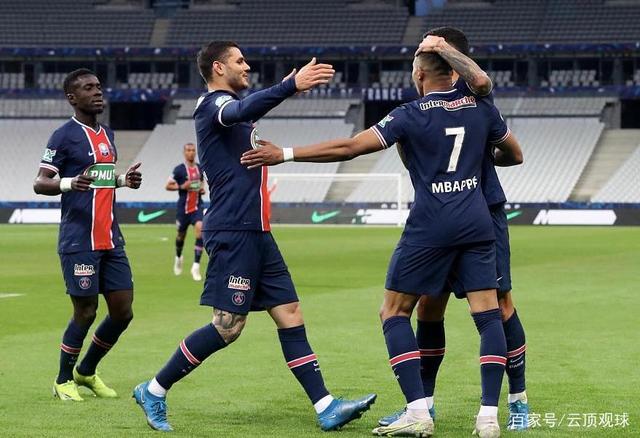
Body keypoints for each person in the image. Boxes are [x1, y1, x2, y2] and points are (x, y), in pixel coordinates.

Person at [241, 50, 523, 437]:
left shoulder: (409, 114)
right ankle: (488, 416)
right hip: (477, 221)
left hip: (431, 223)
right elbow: (512, 151)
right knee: (488, 315)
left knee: (393, 311)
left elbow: (351, 147)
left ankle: (418, 411)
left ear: (419, 74)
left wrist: (285, 154)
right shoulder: (480, 108)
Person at [132, 41, 376, 432]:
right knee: (227, 327)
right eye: (239, 61)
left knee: (290, 314)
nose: (247, 67)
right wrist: (290, 85)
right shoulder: (213, 105)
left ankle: (326, 406)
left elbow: (246, 112)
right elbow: (240, 109)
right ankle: (154, 389)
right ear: (218, 67)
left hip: (257, 232)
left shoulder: (236, 114)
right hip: (233, 231)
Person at [377, 27, 530, 432]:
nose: (421, 52)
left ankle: (518, 400)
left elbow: (482, 82)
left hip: (484, 211)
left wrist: (441, 47)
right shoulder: (431, 103)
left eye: (429, 47)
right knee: (429, 306)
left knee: (500, 305)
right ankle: (423, 406)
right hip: (444, 217)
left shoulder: (476, 94)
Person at [33, 69, 142, 401]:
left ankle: (86, 370)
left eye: (98, 87)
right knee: (86, 311)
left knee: (123, 311)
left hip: (111, 237)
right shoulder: (63, 136)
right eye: (88, 88)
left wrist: (123, 181)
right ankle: (63, 379)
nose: (97, 92)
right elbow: (40, 182)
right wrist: (69, 182)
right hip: (79, 238)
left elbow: (101, 180)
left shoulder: (107, 133)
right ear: (72, 97)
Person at [166, 142, 206, 281]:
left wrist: (201, 188)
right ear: (184, 152)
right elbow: (168, 185)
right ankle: (178, 257)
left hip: (197, 207)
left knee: (200, 229)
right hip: (183, 209)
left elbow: (202, 182)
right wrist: (182, 186)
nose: (191, 152)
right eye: (188, 150)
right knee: (180, 236)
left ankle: (196, 266)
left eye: (193, 150)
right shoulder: (179, 170)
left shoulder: (200, 168)